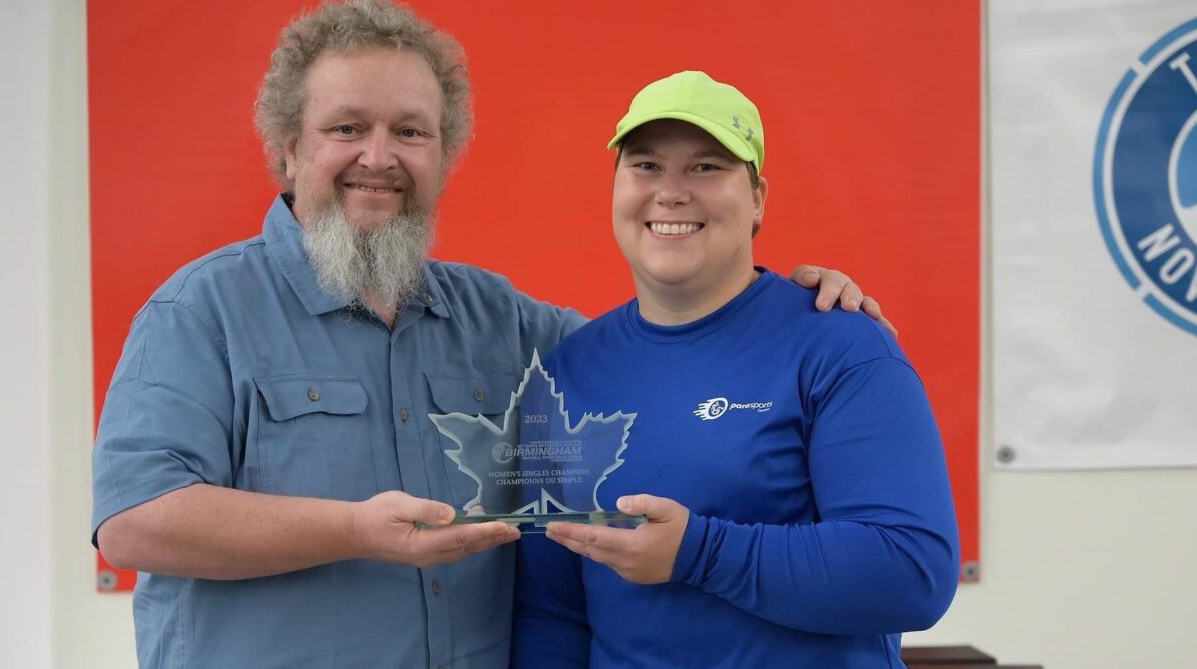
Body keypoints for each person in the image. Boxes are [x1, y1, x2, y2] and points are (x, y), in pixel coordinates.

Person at [90, 2, 894, 667]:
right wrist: (352, 530)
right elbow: (136, 519)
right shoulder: (201, 312)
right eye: (346, 128)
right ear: (290, 148)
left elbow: (664, 356)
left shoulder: (503, 321)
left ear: (444, 154)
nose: (380, 157)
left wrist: (785, 309)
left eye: (411, 132)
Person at [512, 71, 959, 668]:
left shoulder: (840, 346)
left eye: (705, 167)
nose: (670, 192)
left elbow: (911, 571)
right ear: (615, 187)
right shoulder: (567, 374)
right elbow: (551, 610)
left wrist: (699, 552)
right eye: (644, 165)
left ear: (757, 199)